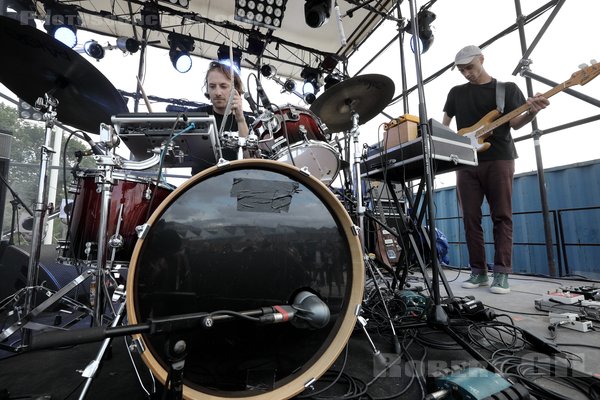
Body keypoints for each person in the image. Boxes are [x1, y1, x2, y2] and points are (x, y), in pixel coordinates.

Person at [442, 45, 549, 294]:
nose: (466, 73)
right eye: (461, 70)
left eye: (469, 67)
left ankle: (501, 274)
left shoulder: (506, 89)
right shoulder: (455, 92)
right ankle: (478, 272)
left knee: (502, 216)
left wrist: (532, 112)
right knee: (470, 218)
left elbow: (516, 123)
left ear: (482, 59)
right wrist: (455, 143)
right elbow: (445, 125)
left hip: (499, 158)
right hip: (466, 162)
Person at [192, 61, 255, 175]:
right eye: (212, 86)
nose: (217, 92)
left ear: (235, 89)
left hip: (237, 185)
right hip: (201, 185)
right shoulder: (196, 116)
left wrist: (240, 119)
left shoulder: (249, 121)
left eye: (223, 86)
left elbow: (250, 160)